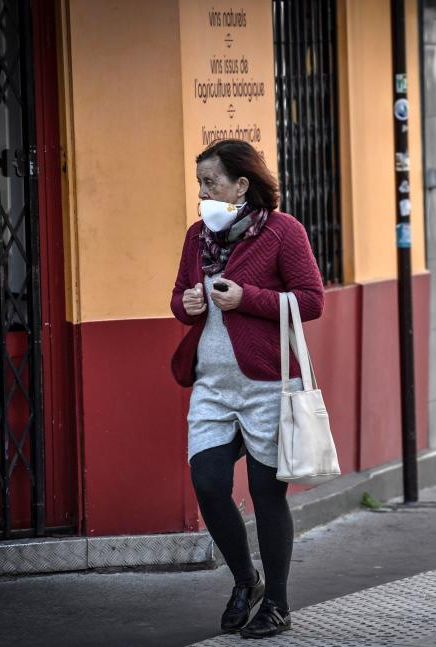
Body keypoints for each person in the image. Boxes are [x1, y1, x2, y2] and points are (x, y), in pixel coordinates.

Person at [170, 139, 325, 638]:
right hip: (213, 385)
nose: (202, 191)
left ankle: (276, 602)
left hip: (268, 384)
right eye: (199, 182)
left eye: (210, 181)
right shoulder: (198, 237)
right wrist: (188, 304)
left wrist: (248, 298)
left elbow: (311, 300)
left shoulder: (283, 232)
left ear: (242, 184)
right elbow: (178, 297)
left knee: (265, 493)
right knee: (209, 484)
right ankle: (245, 580)